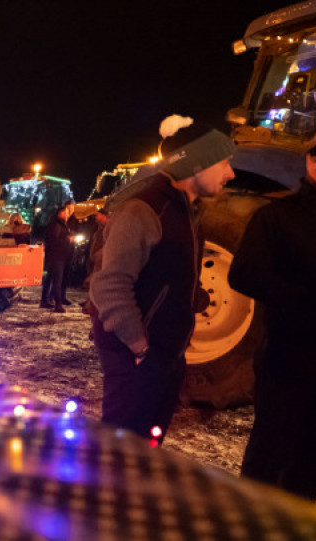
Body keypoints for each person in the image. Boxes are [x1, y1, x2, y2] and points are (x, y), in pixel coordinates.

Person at [89, 114, 235, 444]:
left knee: (147, 446)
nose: (231, 173)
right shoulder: (144, 210)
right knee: (121, 451)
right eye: (224, 162)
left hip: (164, 355)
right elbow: (109, 285)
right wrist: (139, 345)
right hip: (137, 355)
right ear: (196, 163)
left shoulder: (186, 211)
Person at [228, 126, 316, 501]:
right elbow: (244, 274)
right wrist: (305, 299)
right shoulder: (278, 216)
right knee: (270, 455)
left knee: (312, 458)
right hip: (287, 358)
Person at [40, 200, 75, 312]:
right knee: (57, 281)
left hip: (59, 256)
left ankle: (44, 300)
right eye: (66, 212)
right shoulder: (56, 224)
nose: (68, 214)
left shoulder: (61, 224)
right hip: (56, 257)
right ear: (60, 213)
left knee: (51, 278)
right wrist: (68, 239)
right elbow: (54, 240)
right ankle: (58, 304)